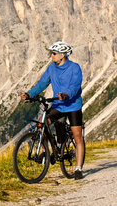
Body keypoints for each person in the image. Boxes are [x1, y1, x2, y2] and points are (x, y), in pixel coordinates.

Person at [21, 41, 84, 180]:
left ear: (62, 55)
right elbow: (42, 83)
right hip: (59, 105)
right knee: (41, 124)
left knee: (77, 136)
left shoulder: (75, 68)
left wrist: (66, 94)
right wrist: (29, 94)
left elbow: (75, 85)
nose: (51, 55)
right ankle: (46, 152)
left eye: (54, 53)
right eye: (52, 53)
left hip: (73, 105)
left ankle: (78, 168)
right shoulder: (51, 68)